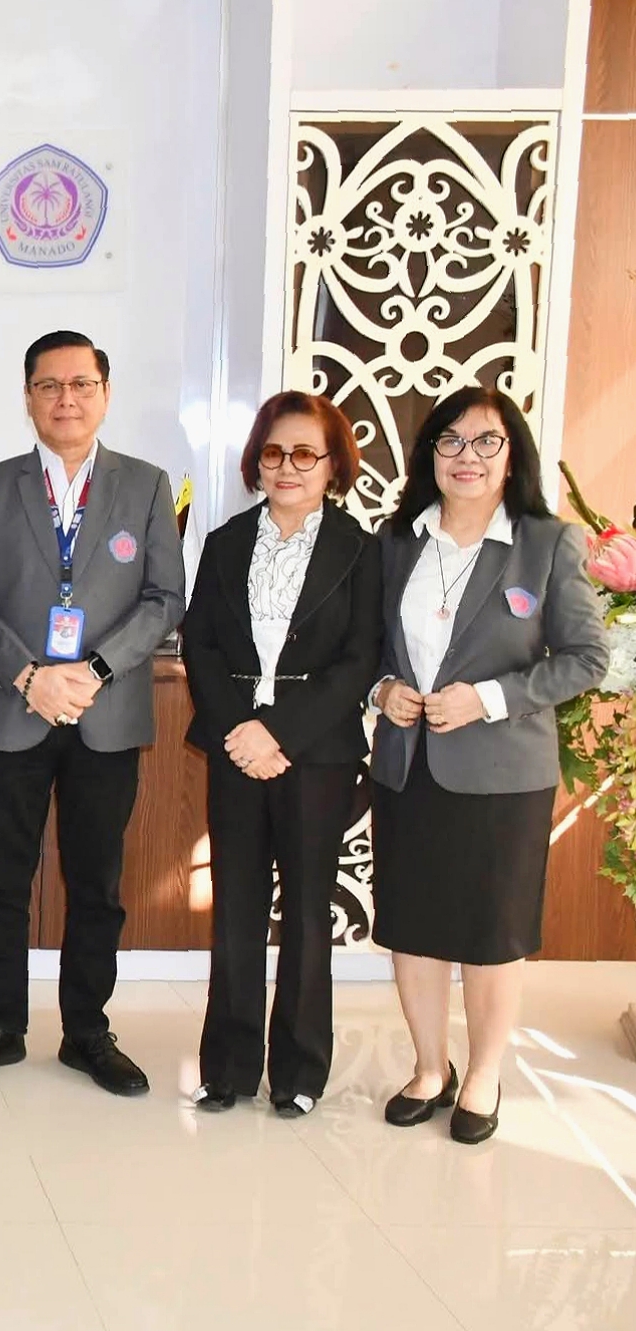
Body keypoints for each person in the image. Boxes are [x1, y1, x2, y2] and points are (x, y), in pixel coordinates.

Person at [0, 330, 186, 1097]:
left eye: (81, 384)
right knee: (3, 881)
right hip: (16, 709)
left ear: (105, 394)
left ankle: (87, 1031)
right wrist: (28, 675)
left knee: (97, 884)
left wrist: (93, 670)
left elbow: (164, 599)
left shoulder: (146, 486)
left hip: (105, 713)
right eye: (49, 385)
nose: (66, 399)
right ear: (29, 398)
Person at [369, 387, 607, 1144]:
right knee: (414, 925)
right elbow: (369, 650)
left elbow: (586, 658)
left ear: (512, 457)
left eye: (485, 442)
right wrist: (385, 690)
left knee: (491, 931)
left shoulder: (547, 542)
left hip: (504, 775)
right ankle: (430, 1067)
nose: (465, 457)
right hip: (409, 766)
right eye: (449, 441)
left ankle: (483, 1074)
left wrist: (492, 698)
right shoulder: (397, 540)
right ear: (428, 454)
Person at [181, 392, 380, 1117]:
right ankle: (228, 1067)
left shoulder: (360, 549)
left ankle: (299, 1068)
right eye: (273, 451)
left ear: (332, 465)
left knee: (304, 912)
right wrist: (241, 728)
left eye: (305, 453)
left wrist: (282, 733)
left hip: (315, 749)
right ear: (256, 460)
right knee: (232, 907)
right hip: (236, 740)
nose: (287, 466)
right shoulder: (226, 541)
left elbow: (360, 660)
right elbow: (198, 640)